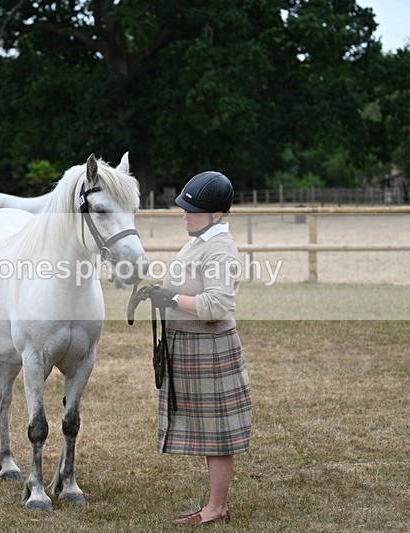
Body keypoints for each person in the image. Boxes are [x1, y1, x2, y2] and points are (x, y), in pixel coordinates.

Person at [146, 171, 252, 526]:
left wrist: (171, 298)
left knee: (217, 432)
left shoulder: (219, 248)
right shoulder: (201, 240)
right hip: (191, 345)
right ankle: (215, 503)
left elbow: (217, 305)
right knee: (210, 430)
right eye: (184, 208)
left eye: (193, 210)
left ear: (217, 214)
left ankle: (217, 507)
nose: (185, 214)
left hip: (208, 346)